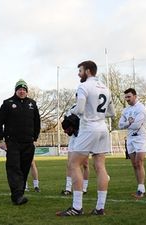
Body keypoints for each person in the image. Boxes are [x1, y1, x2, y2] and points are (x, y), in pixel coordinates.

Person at [56, 60, 115, 216]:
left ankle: (77, 207)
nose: (78, 73)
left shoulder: (83, 86)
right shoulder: (106, 88)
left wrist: (72, 113)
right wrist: (96, 114)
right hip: (103, 129)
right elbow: (111, 113)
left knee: (73, 164)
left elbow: (80, 108)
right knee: (100, 167)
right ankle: (100, 208)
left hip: (89, 129)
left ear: (88, 71)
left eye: (80, 70)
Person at [0, 79, 41, 205]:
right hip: (12, 143)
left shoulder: (32, 104)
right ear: (16, 90)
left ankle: (18, 194)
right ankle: (18, 195)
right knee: (14, 168)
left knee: (24, 168)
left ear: (27, 91)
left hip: (28, 143)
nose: (22, 91)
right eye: (19, 89)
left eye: (24, 89)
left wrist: (35, 139)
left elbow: (37, 123)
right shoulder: (7, 103)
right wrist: (1, 140)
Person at [118, 88, 146, 199]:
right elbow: (120, 125)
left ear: (135, 96)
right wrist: (129, 122)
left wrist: (128, 123)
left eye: (129, 97)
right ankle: (140, 188)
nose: (127, 99)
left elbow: (136, 125)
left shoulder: (141, 109)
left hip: (140, 138)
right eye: (126, 97)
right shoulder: (125, 110)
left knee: (139, 162)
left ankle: (141, 190)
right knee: (134, 165)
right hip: (130, 138)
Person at [61, 106, 89, 196]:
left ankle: (84, 188)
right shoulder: (71, 109)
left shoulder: (87, 108)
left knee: (85, 164)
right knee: (69, 164)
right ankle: (68, 188)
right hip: (74, 138)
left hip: (83, 137)